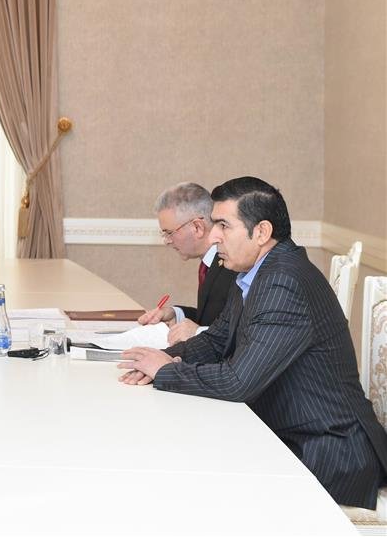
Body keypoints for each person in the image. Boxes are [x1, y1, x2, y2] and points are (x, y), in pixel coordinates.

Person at [118, 177, 387, 508]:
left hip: (327, 451)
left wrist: (165, 371)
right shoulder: (256, 271)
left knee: (197, 486)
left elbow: (238, 382)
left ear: (261, 232)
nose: (213, 236)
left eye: (223, 225)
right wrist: (159, 358)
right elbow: (217, 340)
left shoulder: (283, 281)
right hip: (287, 431)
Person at [136, 182, 238, 344]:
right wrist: (175, 314)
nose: (166, 241)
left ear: (197, 227)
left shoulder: (233, 266)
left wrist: (197, 332)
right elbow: (212, 318)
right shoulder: (210, 263)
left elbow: (237, 332)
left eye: (169, 233)